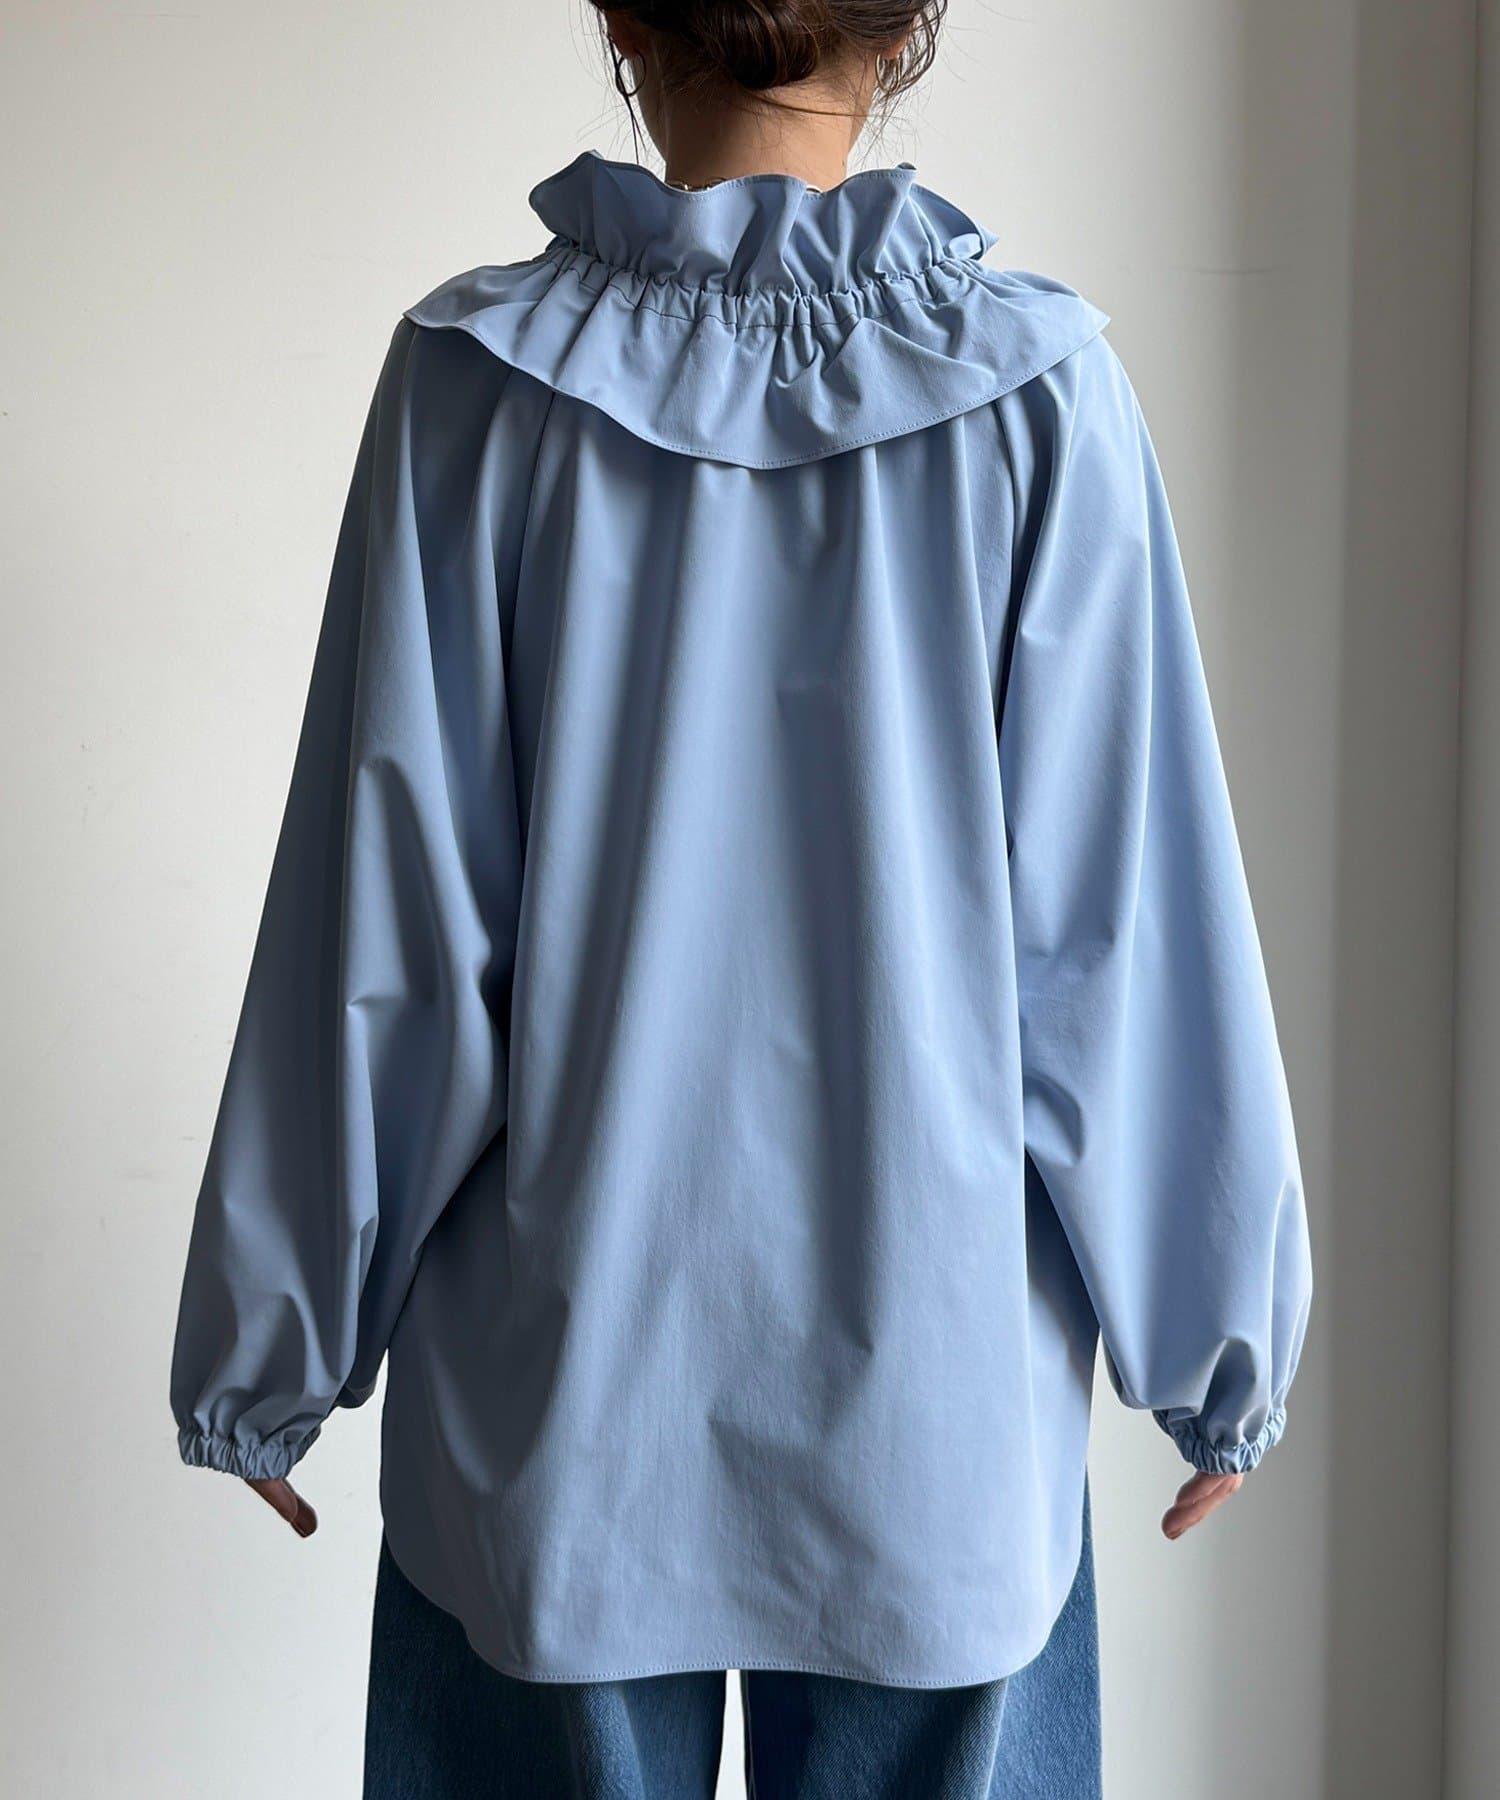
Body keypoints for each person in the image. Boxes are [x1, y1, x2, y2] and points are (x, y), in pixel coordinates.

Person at [170, 1, 1314, 1793]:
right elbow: (1122, 933)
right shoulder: (1040, 395)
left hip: (557, 1411)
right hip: (932, 1428)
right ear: (910, 23)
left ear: (621, 16)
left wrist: (275, 1340)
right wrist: (1214, 1333)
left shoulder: (477, 389)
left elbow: (387, 926)